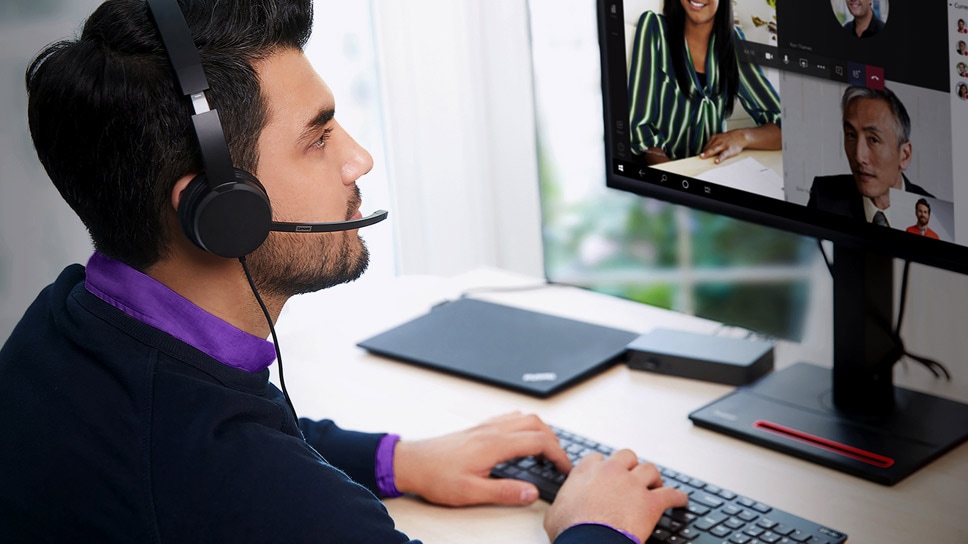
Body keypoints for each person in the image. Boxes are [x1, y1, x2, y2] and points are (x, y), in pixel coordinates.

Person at [0, 0, 688, 542]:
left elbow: (226, 441)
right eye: (318, 138)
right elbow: (240, 480)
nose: (357, 159)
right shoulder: (247, 488)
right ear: (219, 211)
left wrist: (396, 459)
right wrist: (598, 527)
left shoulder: (63, 327)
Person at [627, 0, 782, 166]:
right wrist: (674, 177)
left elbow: (783, 124)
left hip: (712, 174)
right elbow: (639, 129)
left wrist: (742, 137)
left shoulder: (734, 42)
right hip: (661, 174)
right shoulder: (654, 27)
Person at [808, 85, 934, 226]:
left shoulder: (934, 214)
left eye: (873, 139)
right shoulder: (824, 197)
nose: (858, 157)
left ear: (904, 155)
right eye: (851, 135)